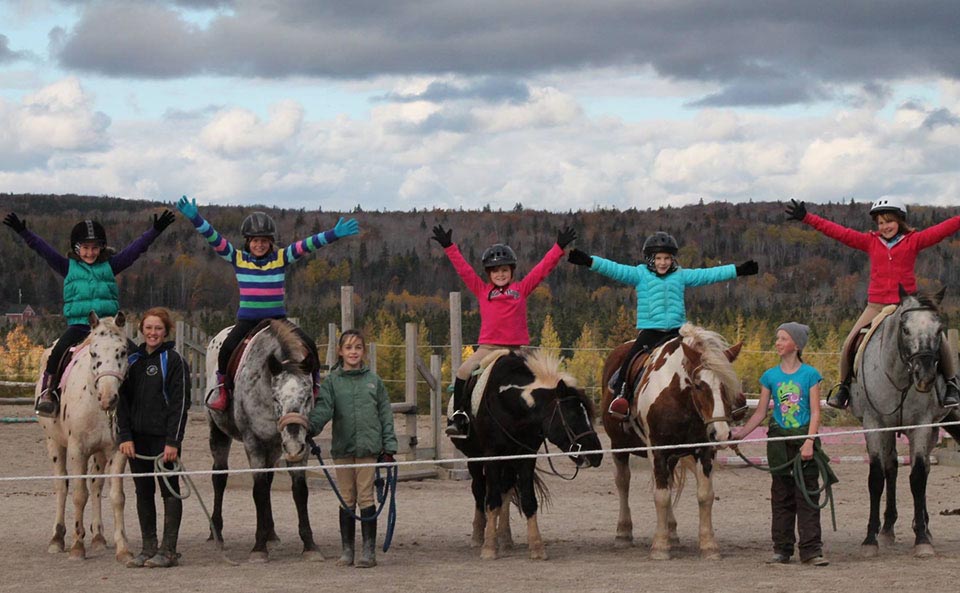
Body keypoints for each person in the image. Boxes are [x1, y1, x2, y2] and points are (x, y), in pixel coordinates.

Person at [175, 195, 359, 411]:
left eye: (263, 241)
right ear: (248, 242)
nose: (259, 245)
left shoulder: (280, 258)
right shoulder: (237, 258)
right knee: (226, 350)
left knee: (308, 344)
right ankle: (224, 390)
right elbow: (214, 238)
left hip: (277, 320)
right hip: (247, 320)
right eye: (255, 241)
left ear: (270, 242)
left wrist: (333, 234)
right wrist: (196, 219)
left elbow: (307, 245)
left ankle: (315, 386)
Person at [786, 197, 960, 409]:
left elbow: (942, 229)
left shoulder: (913, 241)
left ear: (900, 221)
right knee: (849, 343)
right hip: (876, 305)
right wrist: (807, 218)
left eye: (889, 221)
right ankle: (844, 387)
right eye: (880, 222)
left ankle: (952, 384)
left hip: (907, 306)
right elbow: (839, 232)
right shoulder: (870, 242)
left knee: (937, 338)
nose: (885, 226)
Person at [2, 210, 175, 417]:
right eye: (85, 248)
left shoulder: (111, 266)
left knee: (136, 354)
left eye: (94, 248)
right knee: (57, 353)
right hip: (80, 325)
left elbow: (135, 250)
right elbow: (43, 249)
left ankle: (145, 396)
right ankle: (49, 393)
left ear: (101, 248)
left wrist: (155, 230)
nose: (90, 253)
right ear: (77, 248)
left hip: (107, 327)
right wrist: (23, 232)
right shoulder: (67, 266)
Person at [568, 231, 757, 418]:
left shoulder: (681, 275)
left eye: (667, 258)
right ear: (651, 259)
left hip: (678, 331)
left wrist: (738, 270)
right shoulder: (639, 274)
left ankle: (730, 395)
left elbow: (708, 274)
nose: (663, 262)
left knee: (706, 358)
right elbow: (615, 269)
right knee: (628, 362)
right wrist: (589, 261)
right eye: (658, 258)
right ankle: (622, 396)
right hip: (651, 331)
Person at [431, 224, 576, 437]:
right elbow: (464, 270)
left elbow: (542, 269)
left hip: (517, 350)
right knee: (463, 371)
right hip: (488, 348)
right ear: (489, 273)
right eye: (495, 271)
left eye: (504, 270)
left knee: (543, 378)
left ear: (511, 271)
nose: (500, 274)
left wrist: (558, 248)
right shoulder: (482, 290)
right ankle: (460, 415)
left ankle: (546, 419)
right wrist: (449, 247)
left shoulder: (521, 289)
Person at [732, 322, 832, 566]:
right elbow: (760, 413)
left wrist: (809, 442)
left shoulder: (810, 375)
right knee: (781, 496)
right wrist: (740, 434)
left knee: (806, 496)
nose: (777, 342)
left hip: (802, 441)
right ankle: (782, 548)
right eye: (777, 338)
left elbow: (816, 413)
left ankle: (811, 550)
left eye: (783, 338)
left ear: (796, 345)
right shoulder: (770, 377)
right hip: (778, 442)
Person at [307, 329, 397, 568]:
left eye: (357, 347)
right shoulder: (333, 383)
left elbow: (385, 414)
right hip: (344, 449)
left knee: (366, 495)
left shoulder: (374, 381)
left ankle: (368, 551)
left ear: (364, 351)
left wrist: (389, 447)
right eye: (348, 348)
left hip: (368, 448)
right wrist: (309, 427)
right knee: (346, 497)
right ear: (340, 352)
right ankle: (347, 550)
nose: (353, 352)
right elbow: (324, 410)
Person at [116, 307, 190, 568]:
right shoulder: (133, 361)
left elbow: (180, 404)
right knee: (143, 491)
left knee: (169, 490)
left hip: (163, 441)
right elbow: (122, 402)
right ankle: (148, 546)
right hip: (136, 440)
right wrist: (124, 436)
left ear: (166, 330)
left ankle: (168, 550)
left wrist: (173, 441)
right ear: (142, 330)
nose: (153, 333)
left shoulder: (174, 360)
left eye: (158, 328)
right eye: (148, 328)